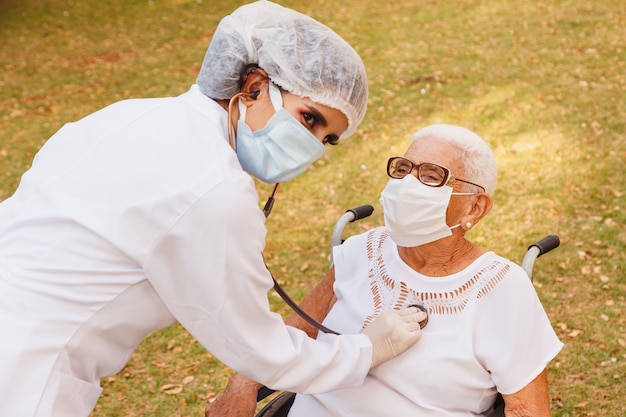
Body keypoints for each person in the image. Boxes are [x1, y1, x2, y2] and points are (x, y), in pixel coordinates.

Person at [0, 2, 427, 416]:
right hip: (24, 376)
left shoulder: (128, 117)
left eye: (327, 138)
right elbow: (261, 349)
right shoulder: (213, 189)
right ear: (255, 84)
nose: (313, 146)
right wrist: (368, 349)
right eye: (310, 119)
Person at [206, 123, 564, 417]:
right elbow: (293, 334)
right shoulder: (362, 250)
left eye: (431, 176)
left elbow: (527, 411)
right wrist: (243, 384)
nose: (408, 183)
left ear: (474, 208)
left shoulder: (502, 288)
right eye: (404, 169)